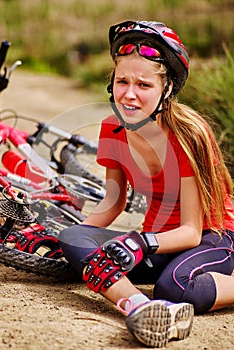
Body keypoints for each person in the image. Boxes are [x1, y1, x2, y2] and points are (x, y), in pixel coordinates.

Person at [58, 20, 234, 348]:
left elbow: (192, 231)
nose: (129, 94)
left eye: (144, 85)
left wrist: (139, 244)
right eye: (122, 81)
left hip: (213, 236)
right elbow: (112, 204)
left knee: (174, 289)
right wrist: (76, 239)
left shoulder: (187, 136)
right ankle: (139, 307)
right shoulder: (112, 130)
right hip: (158, 241)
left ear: (166, 90)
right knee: (73, 237)